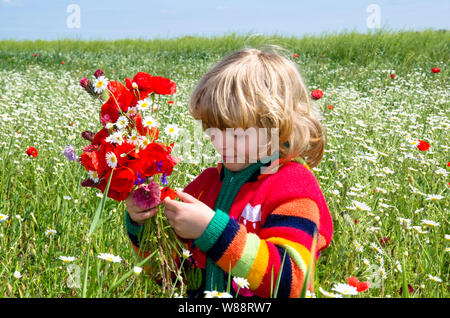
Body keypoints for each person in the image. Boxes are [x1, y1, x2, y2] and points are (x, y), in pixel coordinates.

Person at [124, 47, 333, 298]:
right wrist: (142, 224)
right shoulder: (205, 185)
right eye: (212, 129)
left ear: (277, 127)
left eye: (235, 133)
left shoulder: (292, 186)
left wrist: (212, 232)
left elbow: (293, 282)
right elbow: (167, 274)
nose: (220, 143)